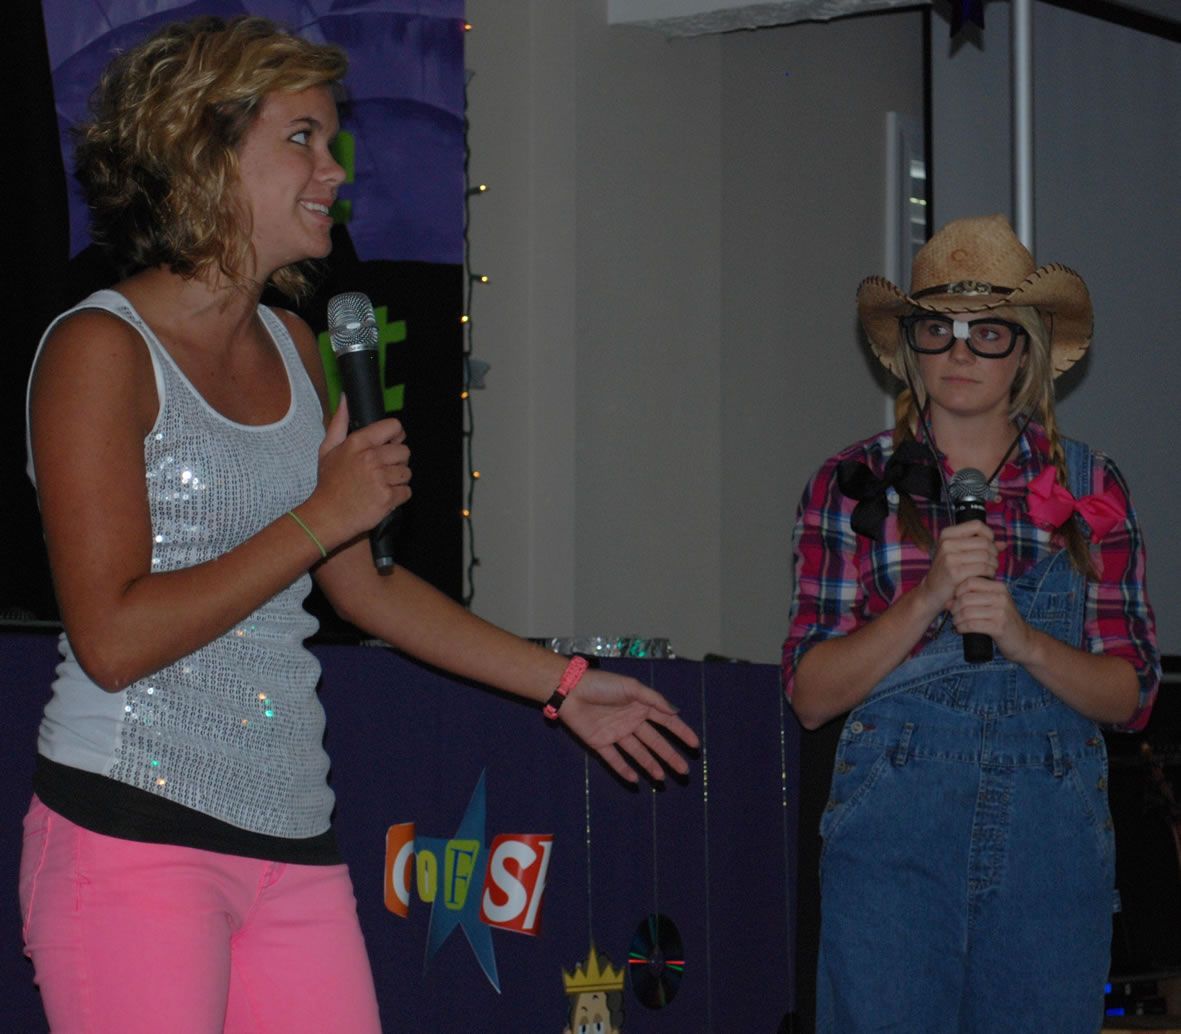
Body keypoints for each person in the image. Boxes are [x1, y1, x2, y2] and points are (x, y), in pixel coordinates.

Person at [20, 16, 698, 1033]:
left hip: (290, 843)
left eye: (330, 140)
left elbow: (362, 586)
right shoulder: (99, 349)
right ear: (201, 151)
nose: (333, 171)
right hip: (131, 838)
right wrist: (318, 515)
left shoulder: (296, 346)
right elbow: (112, 638)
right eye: (301, 137)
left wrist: (563, 685)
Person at [782, 214, 1160, 1033]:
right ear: (909, 348)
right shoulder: (851, 483)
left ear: (1024, 350)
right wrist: (926, 600)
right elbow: (810, 696)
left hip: (1049, 846)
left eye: (986, 333)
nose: (958, 353)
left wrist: (1026, 642)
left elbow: (1129, 697)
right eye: (937, 330)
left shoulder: (1089, 484)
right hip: (891, 844)